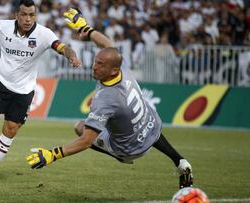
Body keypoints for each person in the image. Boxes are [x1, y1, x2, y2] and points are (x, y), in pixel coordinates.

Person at [26, 8, 193, 189]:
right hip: (151, 125)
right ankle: (180, 160)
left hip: (129, 150)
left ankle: (118, 155)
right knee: (146, 123)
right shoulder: (122, 66)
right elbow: (107, 44)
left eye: (100, 65)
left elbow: (86, 140)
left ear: (113, 70)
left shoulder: (105, 99)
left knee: (80, 127)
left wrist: (53, 154)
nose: (94, 67)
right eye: (96, 61)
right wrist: (86, 28)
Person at [0, 0, 81, 184]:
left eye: (32, 15)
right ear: (16, 15)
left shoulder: (43, 34)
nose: (28, 19)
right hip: (1, 84)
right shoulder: (3, 27)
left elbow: (62, 47)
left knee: (10, 130)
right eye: (24, 15)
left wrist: (72, 57)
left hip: (24, 91)